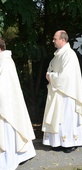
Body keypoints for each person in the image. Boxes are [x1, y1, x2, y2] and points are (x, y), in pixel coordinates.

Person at [42, 30, 82, 153]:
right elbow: (51, 67)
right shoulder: (58, 54)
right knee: (58, 118)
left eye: (55, 39)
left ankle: (70, 143)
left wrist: (50, 76)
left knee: (67, 119)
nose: (53, 41)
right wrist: (50, 74)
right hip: (57, 92)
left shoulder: (69, 55)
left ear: (63, 40)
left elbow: (66, 77)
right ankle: (58, 142)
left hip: (68, 94)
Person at [0, 39, 36, 170]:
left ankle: (11, 159)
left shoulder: (5, 62)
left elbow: (3, 87)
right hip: (6, 104)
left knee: (9, 132)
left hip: (6, 107)